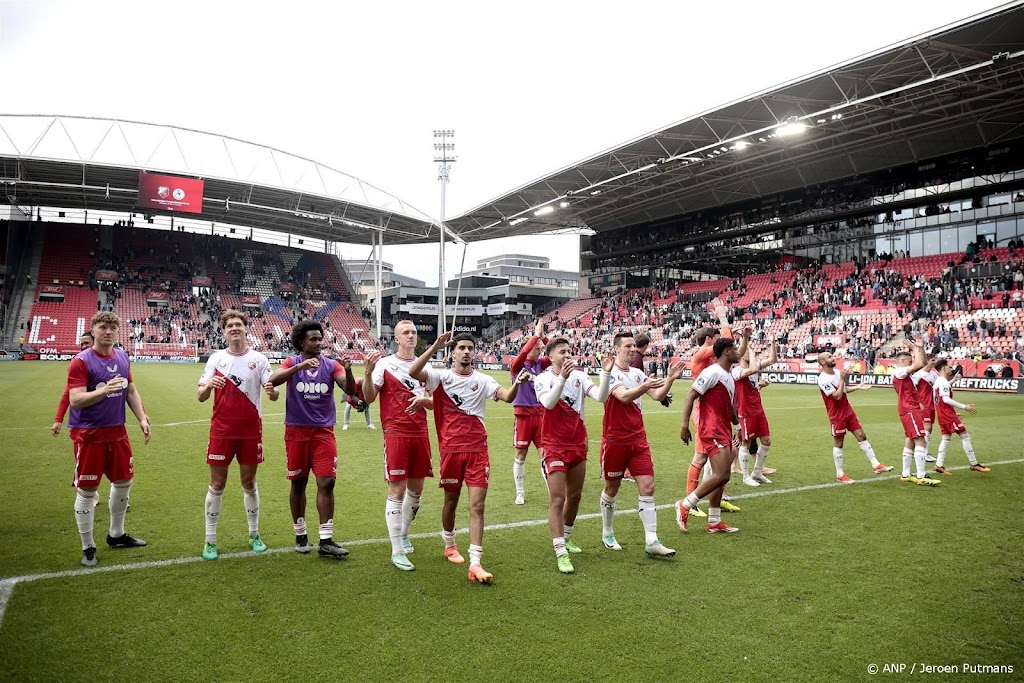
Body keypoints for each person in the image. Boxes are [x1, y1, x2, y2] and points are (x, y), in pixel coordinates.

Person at [408, 331, 530, 584]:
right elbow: (413, 372)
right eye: (461, 347)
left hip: (478, 451)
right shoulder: (440, 378)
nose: (466, 352)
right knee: (451, 501)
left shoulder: (483, 379)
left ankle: (475, 562)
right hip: (451, 451)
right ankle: (450, 544)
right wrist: (435, 346)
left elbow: (507, 397)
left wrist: (518, 383)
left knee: (477, 506)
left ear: (474, 353)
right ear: (453, 353)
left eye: (470, 348)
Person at [66, 312, 151, 566]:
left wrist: (142, 418)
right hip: (90, 434)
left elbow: (131, 390)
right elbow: (75, 399)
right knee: (88, 490)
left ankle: (116, 534)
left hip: (118, 432)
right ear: (93, 330)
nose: (109, 331)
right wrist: (103, 390)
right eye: (103, 327)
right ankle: (87, 546)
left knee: (124, 480)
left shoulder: (123, 357)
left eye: (113, 327)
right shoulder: (81, 362)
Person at [268, 320, 355, 559]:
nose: (318, 343)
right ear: (301, 342)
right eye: (313, 339)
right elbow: (272, 380)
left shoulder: (331, 365)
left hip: (323, 433)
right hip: (296, 432)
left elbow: (349, 390)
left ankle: (326, 540)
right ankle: (300, 533)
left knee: (327, 482)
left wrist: (347, 370)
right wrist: (299, 368)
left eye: (320, 338)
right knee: (299, 483)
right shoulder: (291, 362)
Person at [196, 309, 279, 560]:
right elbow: (200, 396)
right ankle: (210, 541)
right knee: (217, 484)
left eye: (238, 324)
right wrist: (209, 385)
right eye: (229, 325)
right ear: (223, 331)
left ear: (245, 328)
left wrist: (271, 390)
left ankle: (254, 535)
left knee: (249, 483)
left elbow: (274, 394)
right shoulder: (216, 360)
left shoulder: (260, 359)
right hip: (221, 431)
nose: (234, 328)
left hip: (251, 432)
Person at [534, 336, 612, 574]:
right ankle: (560, 551)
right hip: (553, 445)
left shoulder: (579, 376)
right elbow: (547, 403)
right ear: (550, 356)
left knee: (575, 497)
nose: (567, 355)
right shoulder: (543, 378)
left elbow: (601, 396)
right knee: (557, 499)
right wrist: (562, 378)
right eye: (562, 352)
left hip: (577, 443)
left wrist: (606, 374)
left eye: (569, 351)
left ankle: (566, 538)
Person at [599, 331, 680, 557]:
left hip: (638, 439)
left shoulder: (636, 372)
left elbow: (656, 395)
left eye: (634, 346)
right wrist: (645, 387)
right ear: (616, 349)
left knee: (648, 487)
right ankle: (607, 532)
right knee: (612, 488)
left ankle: (652, 540)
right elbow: (624, 397)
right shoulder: (610, 373)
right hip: (615, 440)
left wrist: (671, 378)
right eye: (627, 346)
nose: (632, 349)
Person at [362, 320, 434, 572]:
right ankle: (396, 550)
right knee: (397, 489)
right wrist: (368, 373)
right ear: (396, 339)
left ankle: (404, 534)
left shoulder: (426, 366)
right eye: (406, 332)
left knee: (416, 490)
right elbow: (369, 397)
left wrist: (425, 400)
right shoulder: (384, 364)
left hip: (420, 433)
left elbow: (439, 403)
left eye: (414, 332)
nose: (412, 336)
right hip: (396, 432)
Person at [684, 309, 750, 513]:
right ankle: (690, 501)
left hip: (718, 413)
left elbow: (734, 352)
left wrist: (745, 339)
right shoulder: (702, 354)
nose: (718, 341)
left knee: (724, 456)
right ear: (708, 341)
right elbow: (727, 345)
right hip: (704, 412)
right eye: (715, 339)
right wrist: (723, 318)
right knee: (701, 457)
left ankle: (717, 496)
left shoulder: (717, 365)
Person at [675, 337, 741, 534]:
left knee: (718, 476)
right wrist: (684, 425)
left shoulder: (727, 376)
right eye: (734, 348)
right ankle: (685, 504)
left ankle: (714, 521)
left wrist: (737, 425)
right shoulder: (712, 372)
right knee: (723, 474)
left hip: (723, 429)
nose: (737, 351)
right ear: (727, 352)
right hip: (711, 428)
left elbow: (729, 406)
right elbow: (690, 395)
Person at [815, 352, 892, 483]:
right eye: (829, 357)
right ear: (822, 362)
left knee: (861, 435)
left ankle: (876, 465)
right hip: (836, 415)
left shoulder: (837, 372)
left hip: (848, 411)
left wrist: (858, 387)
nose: (832, 358)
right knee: (839, 443)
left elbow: (843, 390)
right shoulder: (823, 379)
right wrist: (841, 379)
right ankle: (840, 474)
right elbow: (837, 396)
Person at [509, 319, 550, 505]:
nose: (540, 350)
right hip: (523, 416)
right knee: (521, 456)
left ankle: (552, 491)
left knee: (546, 455)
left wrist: (544, 337)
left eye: (540, 348)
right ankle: (519, 492)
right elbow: (523, 352)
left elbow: (558, 354)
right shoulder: (517, 365)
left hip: (541, 415)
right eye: (537, 348)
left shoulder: (540, 364)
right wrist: (535, 336)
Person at [892, 338, 940, 486]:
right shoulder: (900, 371)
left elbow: (923, 364)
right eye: (909, 360)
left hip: (909, 408)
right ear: (902, 360)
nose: (911, 361)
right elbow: (920, 364)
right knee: (920, 439)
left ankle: (906, 474)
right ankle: (921, 475)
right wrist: (915, 347)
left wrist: (919, 349)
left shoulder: (905, 374)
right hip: (909, 409)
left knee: (910, 439)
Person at [932, 359, 990, 475]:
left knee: (946, 438)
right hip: (948, 416)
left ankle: (939, 465)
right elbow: (945, 399)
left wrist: (955, 380)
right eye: (949, 367)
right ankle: (974, 464)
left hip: (943, 415)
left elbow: (942, 397)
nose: (951, 369)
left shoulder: (939, 382)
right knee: (965, 436)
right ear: (943, 369)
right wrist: (964, 407)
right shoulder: (942, 382)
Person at [733, 337, 777, 487]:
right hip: (745, 412)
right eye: (745, 351)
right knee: (746, 442)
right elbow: (751, 369)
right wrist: (751, 352)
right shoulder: (737, 371)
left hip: (758, 410)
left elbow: (772, 360)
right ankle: (746, 476)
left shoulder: (754, 366)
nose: (750, 353)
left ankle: (757, 472)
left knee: (766, 441)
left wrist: (772, 342)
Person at [51, 332, 95, 436]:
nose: (83, 346)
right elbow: (67, 393)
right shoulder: (79, 363)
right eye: (82, 344)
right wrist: (58, 419)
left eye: (86, 343)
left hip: (106, 423)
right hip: (83, 424)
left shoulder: (110, 361)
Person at [912, 356, 939, 463]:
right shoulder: (918, 374)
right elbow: (912, 389)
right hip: (923, 405)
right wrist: (917, 402)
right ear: (927, 361)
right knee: (926, 427)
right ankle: (924, 453)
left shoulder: (934, 375)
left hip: (932, 405)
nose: (934, 362)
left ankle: (922, 451)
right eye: (932, 360)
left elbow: (938, 388)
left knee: (929, 428)